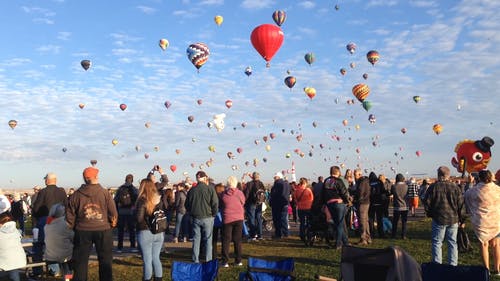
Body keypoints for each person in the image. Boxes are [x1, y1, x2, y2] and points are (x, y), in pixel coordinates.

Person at [66, 166, 118, 281]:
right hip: (103, 230)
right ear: (95, 177)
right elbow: (113, 213)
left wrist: (73, 227)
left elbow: (69, 216)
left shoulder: (76, 195)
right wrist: (111, 224)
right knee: (105, 261)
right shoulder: (105, 193)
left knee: (80, 263)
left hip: (82, 231)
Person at [424, 166, 467, 266]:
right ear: (448, 175)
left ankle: (437, 265)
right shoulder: (455, 187)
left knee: (437, 243)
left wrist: (431, 214)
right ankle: (453, 265)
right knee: (452, 242)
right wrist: (462, 219)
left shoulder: (433, 187)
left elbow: (427, 203)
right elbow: (461, 205)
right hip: (453, 219)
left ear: (439, 175)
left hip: (438, 218)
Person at [31, 172, 67, 277]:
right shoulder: (61, 191)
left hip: (45, 221)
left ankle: (37, 270)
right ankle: (55, 270)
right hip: (60, 221)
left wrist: (36, 217)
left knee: (38, 245)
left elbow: (36, 207)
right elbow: (66, 206)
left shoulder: (43, 191)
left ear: (47, 180)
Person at [464, 170, 500, 275]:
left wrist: (469, 183)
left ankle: (486, 270)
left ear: (478, 178)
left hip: (481, 222)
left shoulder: (474, 191)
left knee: (484, 244)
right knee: (496, 245)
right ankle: (497, 269)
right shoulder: (498, 190)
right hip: (496, 221)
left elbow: (466, 197)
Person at [185, 171, 218, 263]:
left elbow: (187, 205)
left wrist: (191, 213)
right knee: (208, 240)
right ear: (204, 178)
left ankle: (195, 259)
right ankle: (208, 260)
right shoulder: (210, 189)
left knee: (196, 240)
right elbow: (215, 203)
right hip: (208, 217)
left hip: (196, 217)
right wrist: (214, 214)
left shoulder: (192, 190)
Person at [136, 178, 166, 281]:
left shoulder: (142, 200)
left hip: (145, 232)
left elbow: (139, 219)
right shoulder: (158, 199)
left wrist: (133, 214)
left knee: (147, 260)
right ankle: (158, 278)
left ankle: (147, 278)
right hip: (158, 231)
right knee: (156, 258)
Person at [322, 166, 350, 250]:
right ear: (338, 172)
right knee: (340, 224)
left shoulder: (326, 181)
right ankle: (338, 244)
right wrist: (346, 201)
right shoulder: (338, 180)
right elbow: (344, 192)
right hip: (338, 203)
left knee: (338, 224)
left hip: (329, 203)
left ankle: (346, 242)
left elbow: (323, 193)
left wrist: (325, 203)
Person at [220, 176, 245, 268]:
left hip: (227, 218)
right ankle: (238, 260)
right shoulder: (240, 193)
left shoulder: (223, 194)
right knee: (237, 240)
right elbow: (243, 202)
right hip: (238, 218)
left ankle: (225, 261)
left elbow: (222, 204)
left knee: (226, 240)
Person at [44, 203, 74, 277]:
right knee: (67, 268)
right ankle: (68, 277)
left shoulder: (47, 225)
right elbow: (73, 237)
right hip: (65, 255)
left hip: (50, 256)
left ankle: (56, 272)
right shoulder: (65, 224)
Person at [114, 174, 138, 253]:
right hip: (130, 211)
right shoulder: (134, 189)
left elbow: (115, 200)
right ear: (132, 180)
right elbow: (137, 200)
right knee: (131, 230)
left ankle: (119, 247)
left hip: (121, 211)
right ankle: (133, 246)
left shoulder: (120, 188)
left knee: (120, 231)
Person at [0, 210, 26, 281]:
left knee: (9, 263)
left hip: (5, 261)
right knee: (13, 268)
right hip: (18, 260)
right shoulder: (16, 231)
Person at [243, 172, 266, 240]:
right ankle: (260, 235)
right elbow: (264, 193)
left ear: (252, 177)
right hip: (259, 204)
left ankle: (253, 235)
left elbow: (246, 194)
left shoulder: (250, 184)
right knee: (259, 219)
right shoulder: (261, 183)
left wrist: (244, 202)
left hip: (251, 203)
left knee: (251, 219)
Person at [270, 172, 291, 239]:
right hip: (285, 204)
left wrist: (271, 202)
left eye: (275, 177)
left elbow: (274, 195)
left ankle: (278, 234)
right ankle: (286, 233)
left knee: (277, 220)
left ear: (278, 177)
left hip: (277, 204)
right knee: (284, 219)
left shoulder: (277, 184)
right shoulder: (287, 184)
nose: (274, 178)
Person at [368, 172, 389, 239]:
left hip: (371, 203)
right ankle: (381, 233)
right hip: (379, 203)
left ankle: (372, 233)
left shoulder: (369, 183)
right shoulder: (379, 182)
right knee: (379, 219)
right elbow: (383, 191)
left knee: (371, 219)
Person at [353, 169, 371, 245]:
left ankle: (363, 238)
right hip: (366, 202)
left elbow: (360, 192)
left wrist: (355, 199)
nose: (354, 176)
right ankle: (368, 237)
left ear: (359, 174)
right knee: (365, 221)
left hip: (362, 203)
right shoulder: (365, 181)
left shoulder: (362, 182)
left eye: (355, 175)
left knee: (362, 221)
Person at [293, 177, 314, 242]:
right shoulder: (308, 190)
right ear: (305, 183)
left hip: (300, 208)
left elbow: (295, 200)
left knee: (302, 222)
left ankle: (302, 235)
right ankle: (308, 235)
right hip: (308, 208)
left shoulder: (296, 191)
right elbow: (312, 199)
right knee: (308, 222)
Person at [391, 174, 409, 239]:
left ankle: (393, 235)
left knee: (395, 222)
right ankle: (403, 235)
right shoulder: (406, 186)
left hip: (397, 206)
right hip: (405, 206)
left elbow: (392, 193)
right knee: (404, 222)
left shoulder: (394, 186)